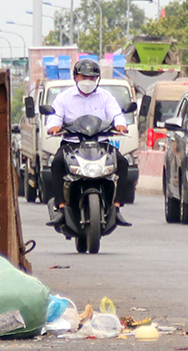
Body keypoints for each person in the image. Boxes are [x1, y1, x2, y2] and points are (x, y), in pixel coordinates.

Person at [44, 57, 132, 227]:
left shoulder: (106, 97)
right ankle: (61, 208)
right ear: (75, 77)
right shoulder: (64, 98)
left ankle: (117, 207)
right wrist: (54, 126)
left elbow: (116, 113)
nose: (88, 81)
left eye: (92, 78)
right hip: (72, 144)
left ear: (97, 79)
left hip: (100, 144)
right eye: (84, 77)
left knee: (122, 162)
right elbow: (55, 116)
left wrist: (120, 124)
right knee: (56, 163)